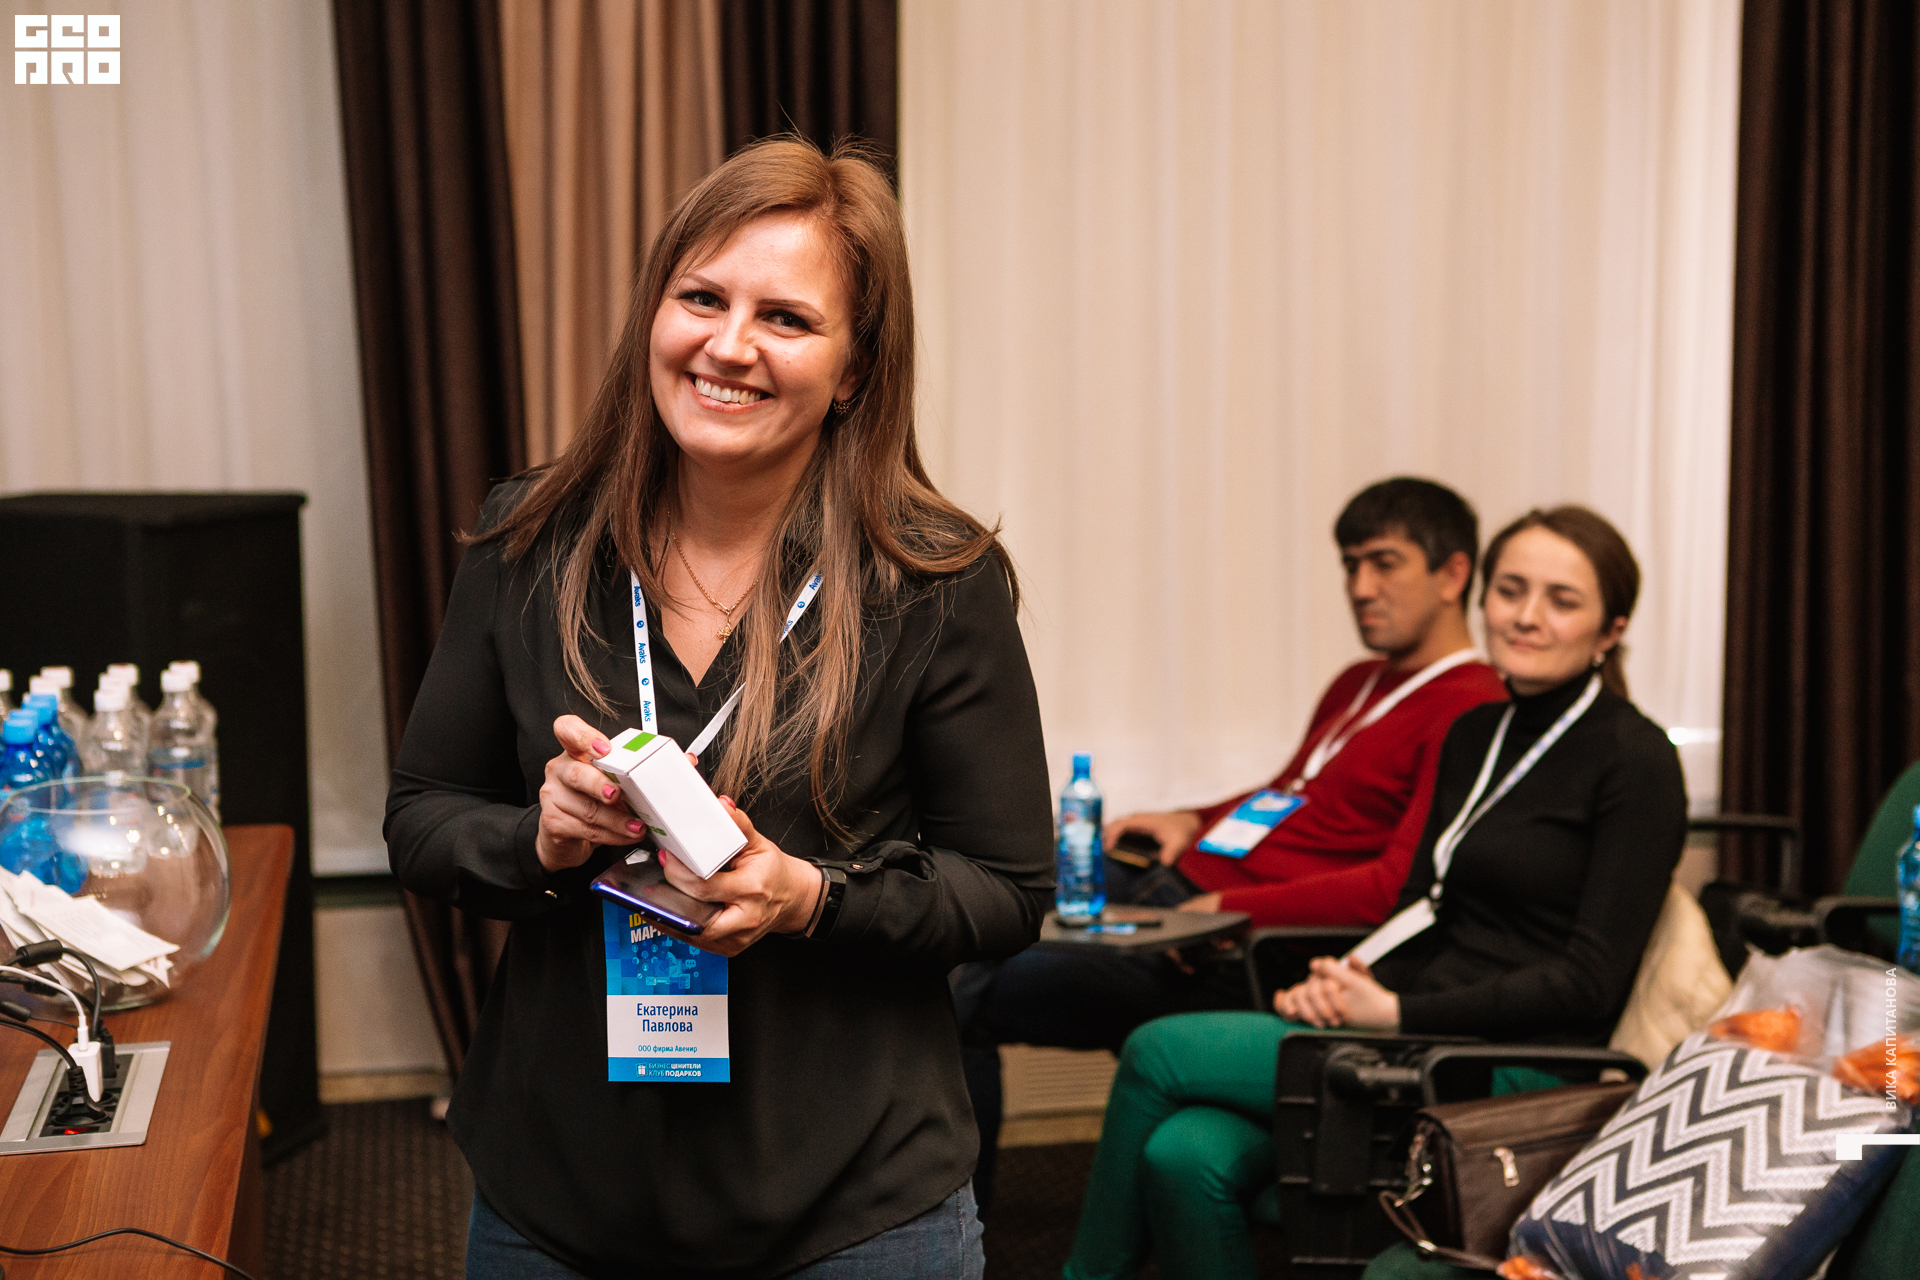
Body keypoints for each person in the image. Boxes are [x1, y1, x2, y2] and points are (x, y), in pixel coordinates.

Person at [385, 138, 1053, 1280]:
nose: (730, 345)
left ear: (854, 369)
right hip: (560, 1195)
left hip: (852, 1202)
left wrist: (811, 898)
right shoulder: (530, 538)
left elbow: (1006, 888)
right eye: (701, 298)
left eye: (785, 318)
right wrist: (543, 839)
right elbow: (422, 817)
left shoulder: (934, 581)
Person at [1060, 505, 1688, 1280]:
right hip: (1407, 1031)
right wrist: (1348, 981)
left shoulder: (1636, 759)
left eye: (1561, 601)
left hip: (1509, 1066)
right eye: (1511, 590)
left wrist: (1395, 1013)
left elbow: (1589, 985)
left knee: (1157, 1049)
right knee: (1183, 1153)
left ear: (1610, 629)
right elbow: (1421, 903)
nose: (1526, 616)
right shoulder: (1477, 733)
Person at [954, 478, 1507, 1205]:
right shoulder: (1360, 681)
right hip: (1175, 891)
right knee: (967, 919)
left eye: (1384, 563)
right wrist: (1193, 817)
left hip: (1215, 948)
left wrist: (1230, 909)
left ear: (1453, 574)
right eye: (1350, 565)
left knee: (958, 992)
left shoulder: (1471, 705)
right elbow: (1290, 795)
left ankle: (955, 1237)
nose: (1360, 587)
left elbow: (1392, 885)